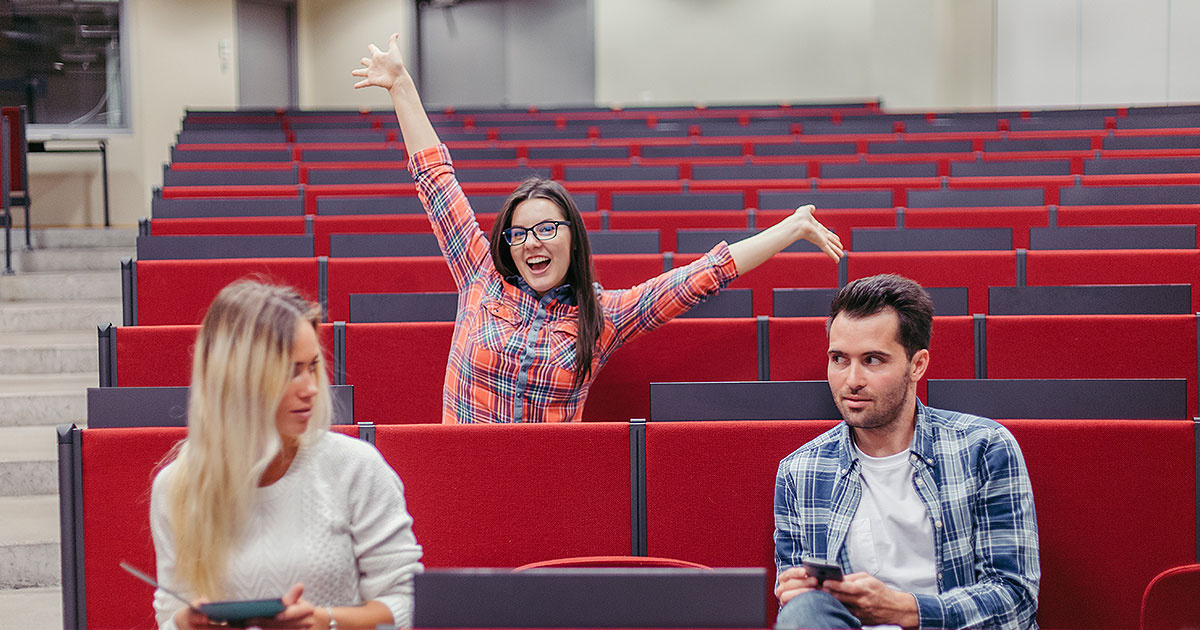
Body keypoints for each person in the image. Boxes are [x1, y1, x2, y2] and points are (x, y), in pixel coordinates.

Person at [352, 34, 845, 424]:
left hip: (548, 489)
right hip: (462, 479)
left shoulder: (602, 317)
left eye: (546, 229)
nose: (532, 243)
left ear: (571, 235)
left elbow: (700, 278)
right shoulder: (479, 277)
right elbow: (436, 181)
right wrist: (401, 86)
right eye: (519, 234)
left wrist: (791, 228)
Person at [150, 280, 424, 630]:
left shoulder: (355, 467)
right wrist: (185, 623)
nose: (311, 388)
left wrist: (323, 622)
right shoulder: (178, 486)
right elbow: (169, 614)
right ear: (238, 380)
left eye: (312, 366)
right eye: (290, 371)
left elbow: (407, 603)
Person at [773, 274, 1039, 630]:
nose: (852, 380)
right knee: (802, 613)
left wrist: (902, 609)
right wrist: (797, 594)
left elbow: (1015, 599)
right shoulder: (799, 471)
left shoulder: (984, 447)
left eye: (873, 360)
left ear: (917, 365)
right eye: (839, 358)